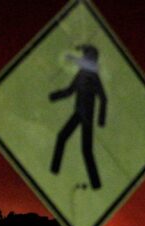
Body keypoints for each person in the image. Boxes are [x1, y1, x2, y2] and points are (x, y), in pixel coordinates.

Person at [49, 44, 107, 190]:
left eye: (85, 55)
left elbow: (103, 98)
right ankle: (54, 170)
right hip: (78, 113)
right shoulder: (81, 74)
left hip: (87, 117)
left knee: (86, 150)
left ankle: (96, 184)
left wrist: (101, 120)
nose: (83, 58)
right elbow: (69, 91)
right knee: (61, 137)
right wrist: (54, 96)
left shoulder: (94, 77)